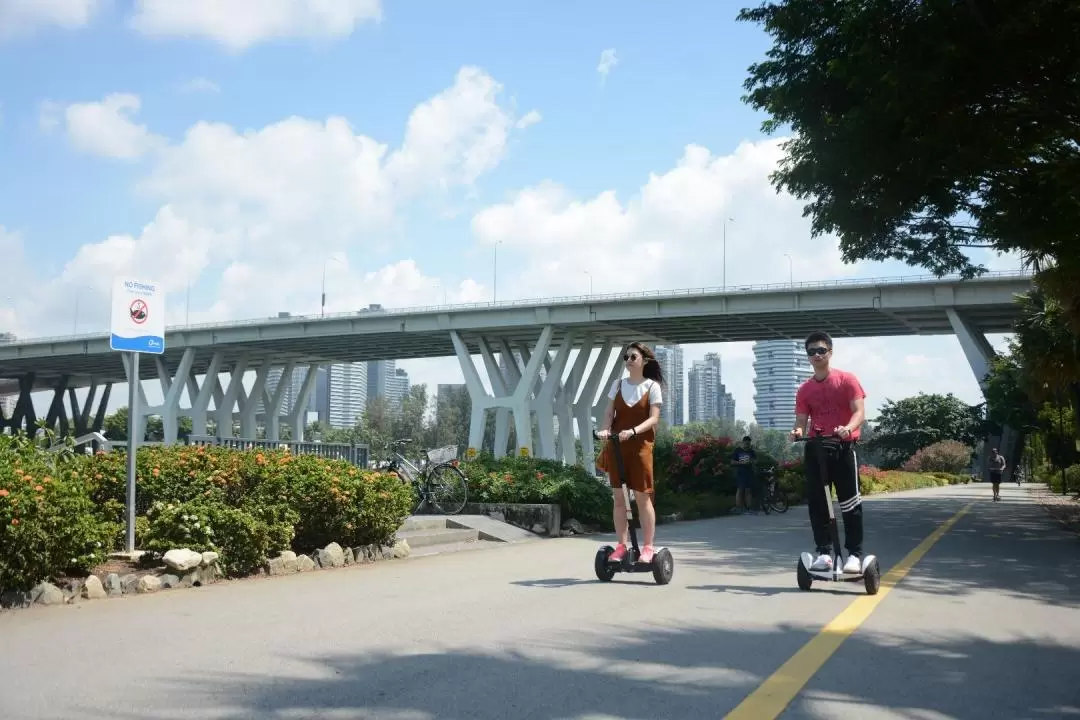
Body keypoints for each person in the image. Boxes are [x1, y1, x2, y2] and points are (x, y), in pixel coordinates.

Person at [790, 331, 867, 574]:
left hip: (843, 447)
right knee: (818, 504)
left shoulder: (847, 380)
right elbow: (801, 421)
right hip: (816, 450)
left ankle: (854, 554)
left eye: (821, 351)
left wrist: (848, 428)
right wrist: (797, 432)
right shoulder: (804, 389)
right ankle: (824, 552)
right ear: (807, 357)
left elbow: (859, 412)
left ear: (830, 353)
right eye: (811, 352)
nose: (816, 355)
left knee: (850, 503)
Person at [596, 342, 664, 564]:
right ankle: (621, 546)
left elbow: (654, 418)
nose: (628, 361)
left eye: (632, 357)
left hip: (641, 447)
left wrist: (633, 431)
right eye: (625, 357)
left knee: (643, 498)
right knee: (618, 499)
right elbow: (608, 412)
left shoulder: (652, 387)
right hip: (617, 446)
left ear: (644, 360)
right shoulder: (617, 385)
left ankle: (647, 547)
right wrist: (606, 430)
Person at [731, 435, 758, 514]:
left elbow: (756, 460)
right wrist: (741, 462)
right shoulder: (737, 450)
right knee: (740, 490)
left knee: (748, 490)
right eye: (746, 444)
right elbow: (732, 462)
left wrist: (752, 461)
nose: (747, 445)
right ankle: (738, 507)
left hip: (749, 472)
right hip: (740, 473)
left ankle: (749, 507)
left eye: (748, 444)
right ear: (743, 442)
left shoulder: (751, 451)